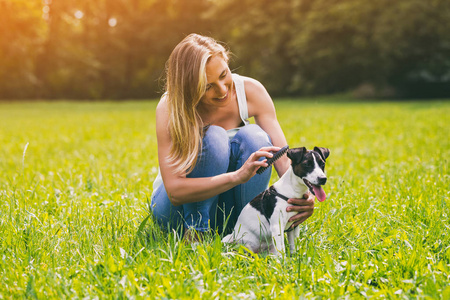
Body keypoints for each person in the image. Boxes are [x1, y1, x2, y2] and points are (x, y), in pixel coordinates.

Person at [151, 33, 314, 239]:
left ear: (227, 62)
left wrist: (303, 193)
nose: (221, 91)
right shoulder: (170, 106)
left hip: (226, 210)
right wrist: (237, 176)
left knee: (256, 137)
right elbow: (175, 192)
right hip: (176, 213)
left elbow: (282, 158)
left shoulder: (251, 91)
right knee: (214, 137)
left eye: (223, 74)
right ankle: (195, 233)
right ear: (189, 88)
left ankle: (246, 229)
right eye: (207, 86)